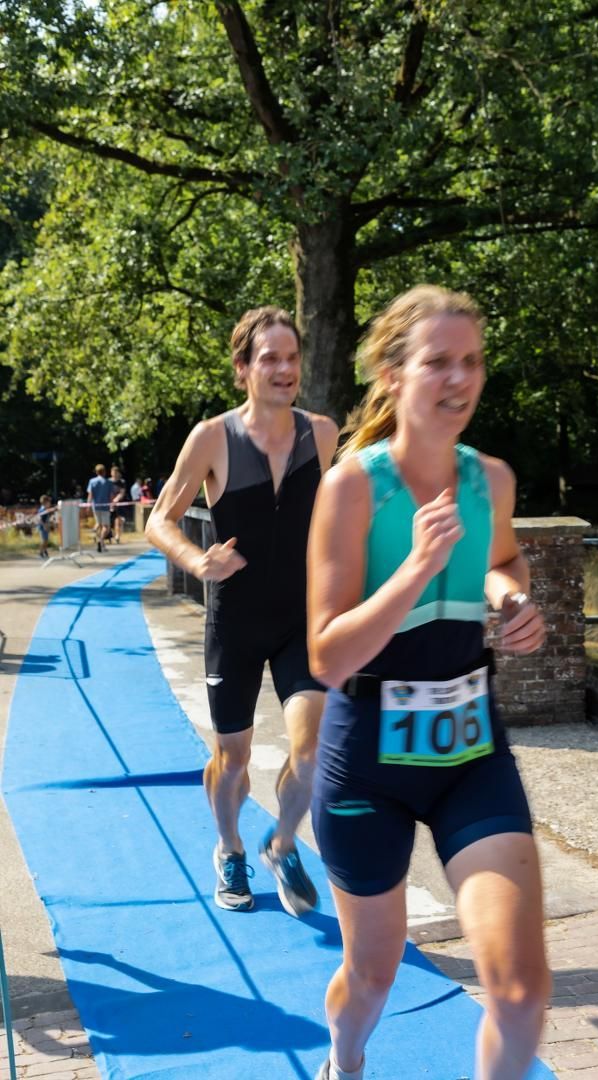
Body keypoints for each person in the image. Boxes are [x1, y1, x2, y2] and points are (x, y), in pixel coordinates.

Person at [307, 285, 550, 1080]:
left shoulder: (492, 481)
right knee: (373, 976)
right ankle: (345, 1061)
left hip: (469, 754)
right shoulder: (352, 487)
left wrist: (509, 598)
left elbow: (503, 559)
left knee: (521, 994)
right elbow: (327, 658)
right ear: (392, 373)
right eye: (438, 361)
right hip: (365, 764)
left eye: (471, 361)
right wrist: (416, 567)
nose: (459, 378)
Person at [146, 305, 338, 915]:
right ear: (242, 368)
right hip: (234, 623)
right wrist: (197, 561)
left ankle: (282, 844)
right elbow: (160, 520)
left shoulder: (322, 433)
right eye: (269, 358)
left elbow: (334, 519)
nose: (284, 369)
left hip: (300, 621)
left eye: (292, 357)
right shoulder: (212, 437)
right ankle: (229, 847)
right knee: (234, 759)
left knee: (311, 751)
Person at [86, 464, 114, 552]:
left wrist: (88, 505)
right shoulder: (108, 482)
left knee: (99, 525)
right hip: (105, 507)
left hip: (96, 506)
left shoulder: (92, 481)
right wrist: (112, 505)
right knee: (106, 527)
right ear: (104, 472)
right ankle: (101, 540)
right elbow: (111, 495)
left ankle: (102, 544)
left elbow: (90, 495)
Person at [109, 465, 128, 544]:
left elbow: (122, 493)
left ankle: (117, 536)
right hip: (109, 504)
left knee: (118, 521)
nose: (114, 474)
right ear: (111, 473)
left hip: (119, 504)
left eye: (116, 472)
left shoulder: (122, 482)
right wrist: (111, 501)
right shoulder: (108, 482)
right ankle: (111, 535)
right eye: (113, 472)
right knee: (109, 522)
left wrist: (116, 499)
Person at [36, 494, 55, 559]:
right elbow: (40, 519)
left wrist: (49, 525)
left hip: (46, 527)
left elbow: (47, 518)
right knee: (44, 541)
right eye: (49, 502)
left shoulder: (46, 509)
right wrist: (44, 526)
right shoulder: (42, 510)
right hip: (42, 527)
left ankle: (44, 551)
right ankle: (40, 553)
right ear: (45, 503)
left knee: (46, 540)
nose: (50, 504)